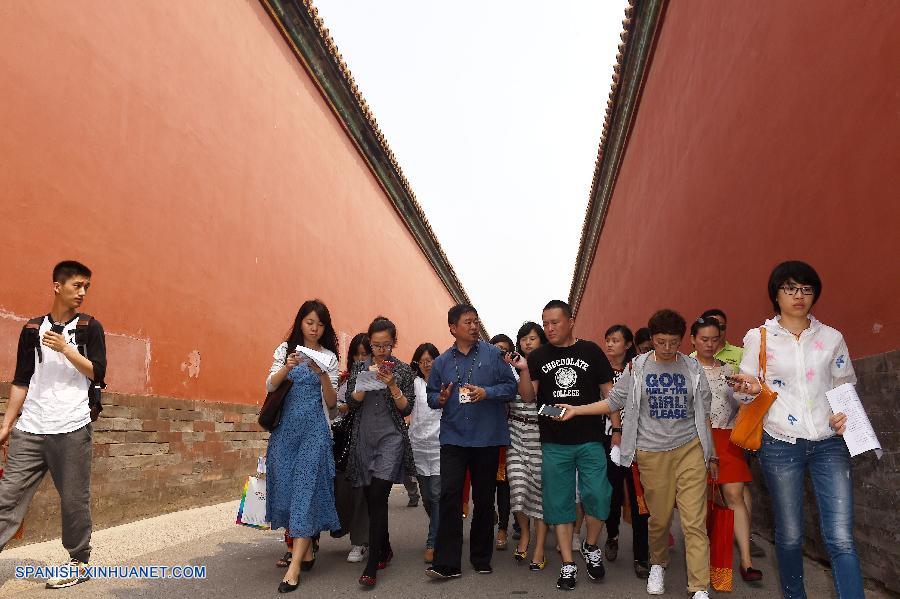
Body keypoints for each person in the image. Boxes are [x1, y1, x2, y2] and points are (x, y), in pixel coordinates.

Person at [556, 309, 718, 599]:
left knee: (694, 520)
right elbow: (612, 402)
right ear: (651, 339)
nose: (667, 348)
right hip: (651, 452)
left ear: (683, 341)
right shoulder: (637, 368)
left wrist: (712, 455)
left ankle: (699, 586)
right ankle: (658, 563)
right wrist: (577, 410)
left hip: (689, 449)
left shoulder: (692, 370)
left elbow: (703, 414)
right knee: (660, 517)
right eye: (660, 342)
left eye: (673, 342)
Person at [728, 261, 863, 599]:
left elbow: (844, 386)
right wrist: (748, 389)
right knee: (789, 534)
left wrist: (841, 415)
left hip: (829, 443)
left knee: (842, 537)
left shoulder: (832, 337)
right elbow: (743, 387)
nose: (799, 296)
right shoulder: (758, 338)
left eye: (806, 289)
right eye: (790, 289)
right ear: (776, 294)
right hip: (780, 444)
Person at [0, 261, 106, 590]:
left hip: (72, 425)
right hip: (30, 426)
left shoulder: (90, 326)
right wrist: (6, 424)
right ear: (57, 286)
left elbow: (98, 372)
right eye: (77, 285)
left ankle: (78, 561)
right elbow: (21, 380)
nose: (83, 292)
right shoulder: (32, 328)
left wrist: (67, 349)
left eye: (86, 286)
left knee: (74, 500)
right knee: (7, 496)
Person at [509, 300, 616, 591]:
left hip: (590, 439)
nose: (549, 328)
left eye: (554, 322)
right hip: (555, 442)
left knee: (599, 496)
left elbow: (611, 395)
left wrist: (615, 430)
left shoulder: (591, 351)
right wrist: (523, 370)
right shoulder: (539, 355)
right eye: (545, 323)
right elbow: (530, 398)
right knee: (559, 503)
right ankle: (568, 563)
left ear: (570, 321)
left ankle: (591, 546)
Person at [425, 304, 517, 580]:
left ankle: (480, 557)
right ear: (453, 328)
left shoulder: (493, 355)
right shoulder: (442, 362)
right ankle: (447, 562)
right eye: (468, 322)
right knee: (450, 497)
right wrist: (439, 399)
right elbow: (431, 395)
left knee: (484, 499)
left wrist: (487, 392)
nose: (474, 326)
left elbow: (511, 388)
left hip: (487, 438)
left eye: (476, 321)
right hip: (453, 438)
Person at [265, 299, 340, 593]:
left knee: (306, 493)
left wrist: (321, 373)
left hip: (315, 432)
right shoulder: (285, 350)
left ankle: (294, 568)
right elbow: (270, 385)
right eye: (310, 322)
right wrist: (288, 367)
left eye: (320, 324)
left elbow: (332, 405)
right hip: (285, 433)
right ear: (300, 322)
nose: (314, 328)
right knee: (286, 489)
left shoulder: (330, 358)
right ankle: (305, 552)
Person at [345, 316, 416, 588]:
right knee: (370, 497)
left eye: (387, 345)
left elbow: (406, 409)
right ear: (370, 344)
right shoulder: (360, 367)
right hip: (364, 439)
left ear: (394, 343)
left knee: (378, 494)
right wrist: (363, 385)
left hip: (391, 439)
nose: (381, 351)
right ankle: (384, 546)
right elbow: (351, 403)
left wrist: (391, 384)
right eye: (376, 346)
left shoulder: (402, 370)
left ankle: (372, 564)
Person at [691, 317, 761, 583]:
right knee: (700, 501)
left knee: (735, 495)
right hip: (695, 439)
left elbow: (744, 404)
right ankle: (703, 557)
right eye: (704, 339)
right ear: (693, 340)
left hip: (727, 437)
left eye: (714, 339)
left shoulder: (732, 370)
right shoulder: (685, 369)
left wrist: (746, 395)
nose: (710, 344)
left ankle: (745, 561)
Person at [602, 324, 650, 578]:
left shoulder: (639, 369)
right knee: (610, 495)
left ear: (628, 344)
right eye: (607, 340)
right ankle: (612, 535)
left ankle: (641, 555)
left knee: (640, 498)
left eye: (615, 340)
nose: (610, 344)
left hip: (637, 441)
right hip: (606, 440)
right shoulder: (598, 370)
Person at [506, 322, 550, 571]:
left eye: (533, 338)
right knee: (518, 487)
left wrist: (548, 413)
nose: (528, 343)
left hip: (541, 435)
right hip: (515, 432)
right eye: (524, 339)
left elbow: (544, 400)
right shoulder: (512, 369)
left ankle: (540, 546)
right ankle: (524, 532)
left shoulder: (549, 368)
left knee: (540, 494)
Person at [332, 333, 370, 564]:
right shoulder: (344, 380)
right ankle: (346, 530)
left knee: (362, 495)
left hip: (366, 444)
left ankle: (360, 542)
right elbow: (334, 408)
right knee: (342, 491)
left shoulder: (375, 379)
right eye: (356, 354)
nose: (360, 359)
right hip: (343, 444)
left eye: (364, 354)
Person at [408, 342, 441, 564]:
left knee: (437, 495)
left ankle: (433, 541)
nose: (427, 364)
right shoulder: (413, 384)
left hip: (440, 446)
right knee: (427, 498)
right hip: (418, 446)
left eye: (430, 360)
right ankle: (440, 525)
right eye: (422, 361)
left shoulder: (445, 383)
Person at [489, 333, 515, 553]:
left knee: (504, 487)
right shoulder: (482, 372)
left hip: (507, 440)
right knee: (485, 488)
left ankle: (503, 529)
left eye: (504, 350)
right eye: (496, 348)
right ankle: (491, 515)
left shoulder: (516, 374)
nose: (500, 353)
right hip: (484, 440)